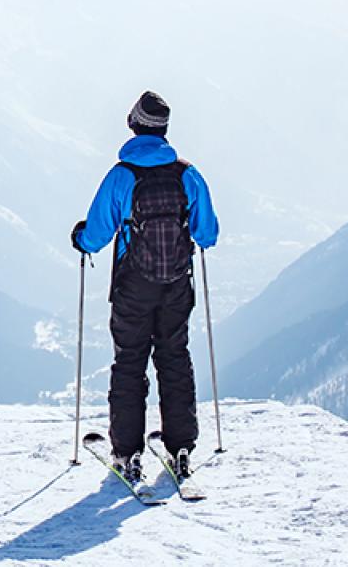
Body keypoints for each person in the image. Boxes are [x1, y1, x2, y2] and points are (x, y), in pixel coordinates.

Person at [70, 90, 219, 485]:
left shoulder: (122, 176)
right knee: (174, 359)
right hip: (176, 284)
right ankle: (181, 446)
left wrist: (80, 239)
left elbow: (98, 233)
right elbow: (208, 234)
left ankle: (127, 454)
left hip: (133, 287)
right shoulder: (187, 174)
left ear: (134, 126)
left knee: (130, 364)